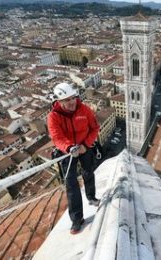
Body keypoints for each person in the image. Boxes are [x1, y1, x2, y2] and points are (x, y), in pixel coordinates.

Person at [47, 82, 100, 234]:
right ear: (58, 101)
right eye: (66, 100)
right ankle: (77, 219)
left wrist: (86, 144)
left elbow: (95, 128)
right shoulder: (53, 117)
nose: (71, 102)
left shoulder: (84, 110)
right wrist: (69, 147)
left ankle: (91, 197)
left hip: (85, 146)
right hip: (67, 152)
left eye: (72, 98)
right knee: (71, 184)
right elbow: (57, 137)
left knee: (88, 172)